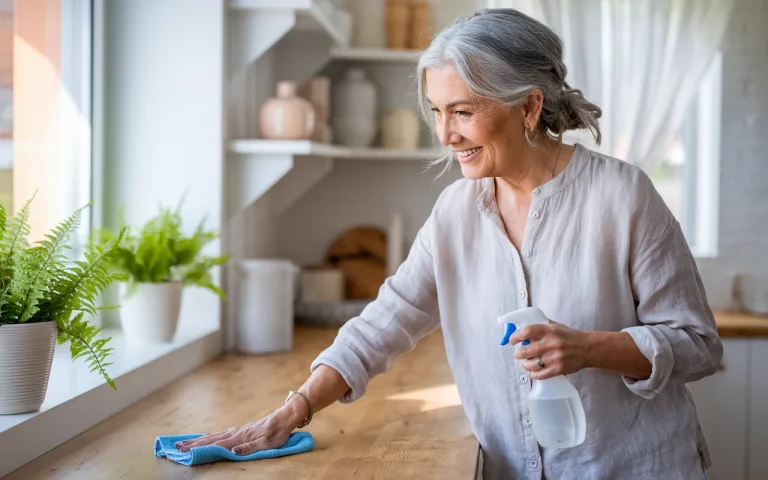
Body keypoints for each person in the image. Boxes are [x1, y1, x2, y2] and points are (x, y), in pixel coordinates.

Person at [177, 8, 722, 479]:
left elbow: (697, 343)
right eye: (437, 111)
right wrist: (291, 412)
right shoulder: (456, 214)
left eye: (463, 111)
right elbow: (384, 323)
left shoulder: (622, 195)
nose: (445, 134)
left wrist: (588, 348)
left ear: (529, 107)